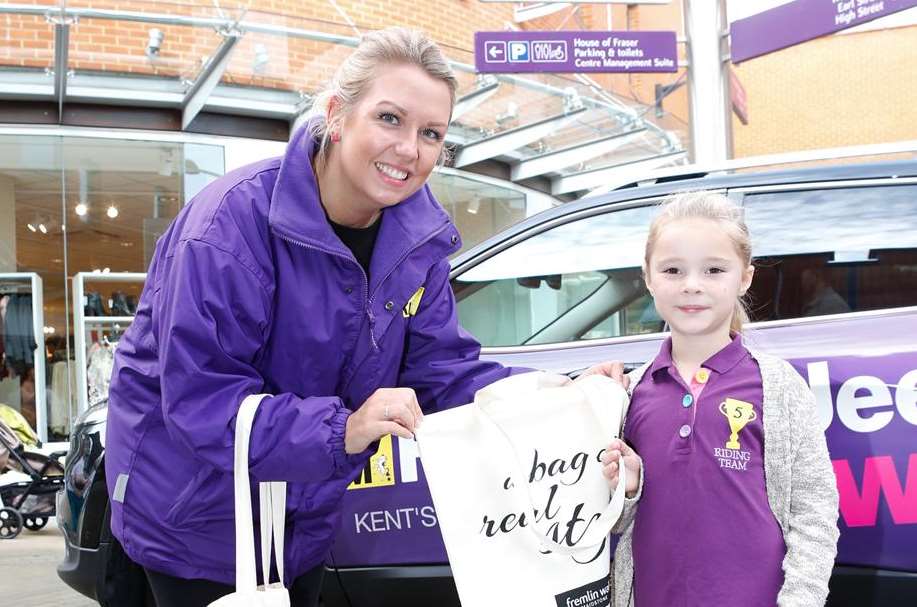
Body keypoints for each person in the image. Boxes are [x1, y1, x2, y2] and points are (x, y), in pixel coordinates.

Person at [105, 28, 620, 607]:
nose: (409, 149)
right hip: (196, 519)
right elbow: (202, 401)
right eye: (390, 119)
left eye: (431, 134)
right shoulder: (228, 227)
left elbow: (444, 372)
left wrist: (558, 395)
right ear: (336, 114)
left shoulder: (415, 240)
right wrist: (343, 429)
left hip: (303, 517)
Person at [602, 192, 839, 607]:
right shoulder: (628, 393)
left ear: (744, 278)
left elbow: (814, 513)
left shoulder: (778, 386)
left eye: (713, 270)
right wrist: (627, 488)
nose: (692, 285)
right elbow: (610, 524)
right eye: (673, 270)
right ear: (648, 277)